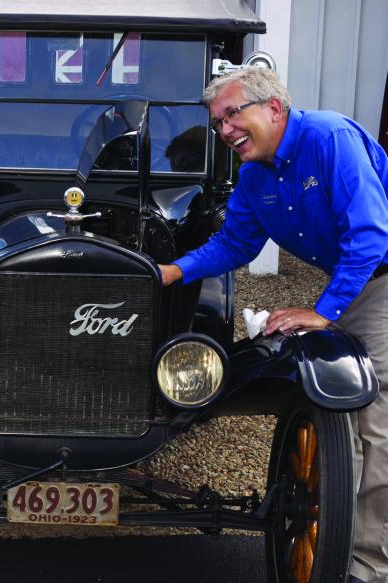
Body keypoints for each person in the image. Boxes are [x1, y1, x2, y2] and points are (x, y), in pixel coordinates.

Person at [158, 68, 388, 583]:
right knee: (340, 415)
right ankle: (339, 537)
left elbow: (370, 236)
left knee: (378, 421)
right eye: (217, 123)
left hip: (380, 275)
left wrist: (323, 312)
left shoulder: (330, 138)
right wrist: (173, 271)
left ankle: (369, 569)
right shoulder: (255, 175)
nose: (224, 131)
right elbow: (234, 245)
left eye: (232, 114)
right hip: (354, 278)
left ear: (274, 109)